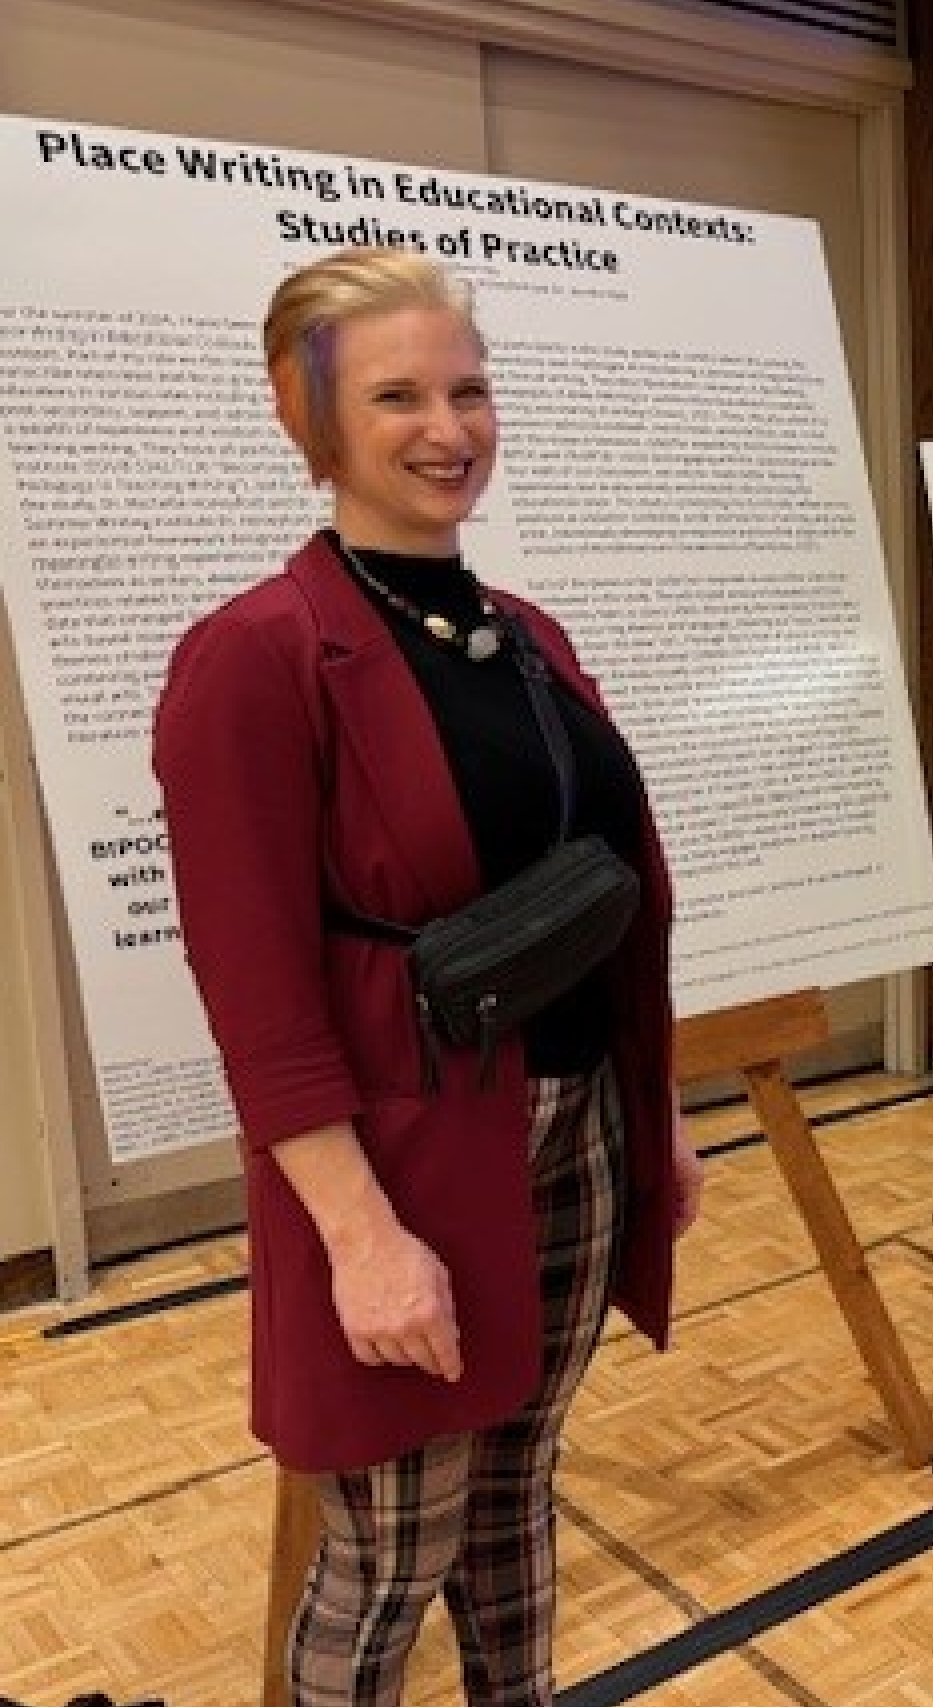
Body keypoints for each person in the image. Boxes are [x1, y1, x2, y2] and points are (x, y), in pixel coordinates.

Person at [152, 247, 705, 1707]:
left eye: (469, 389)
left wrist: (658, 1115)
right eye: (398, 396)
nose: (448, 428)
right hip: (402, 1165)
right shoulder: (256, 658)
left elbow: (606, 891)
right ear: (311, 419)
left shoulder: (528, 637)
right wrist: (360, 1238)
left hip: (574, 1126)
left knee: (518, 1490)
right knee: (393, 1548)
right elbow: (257, 997)